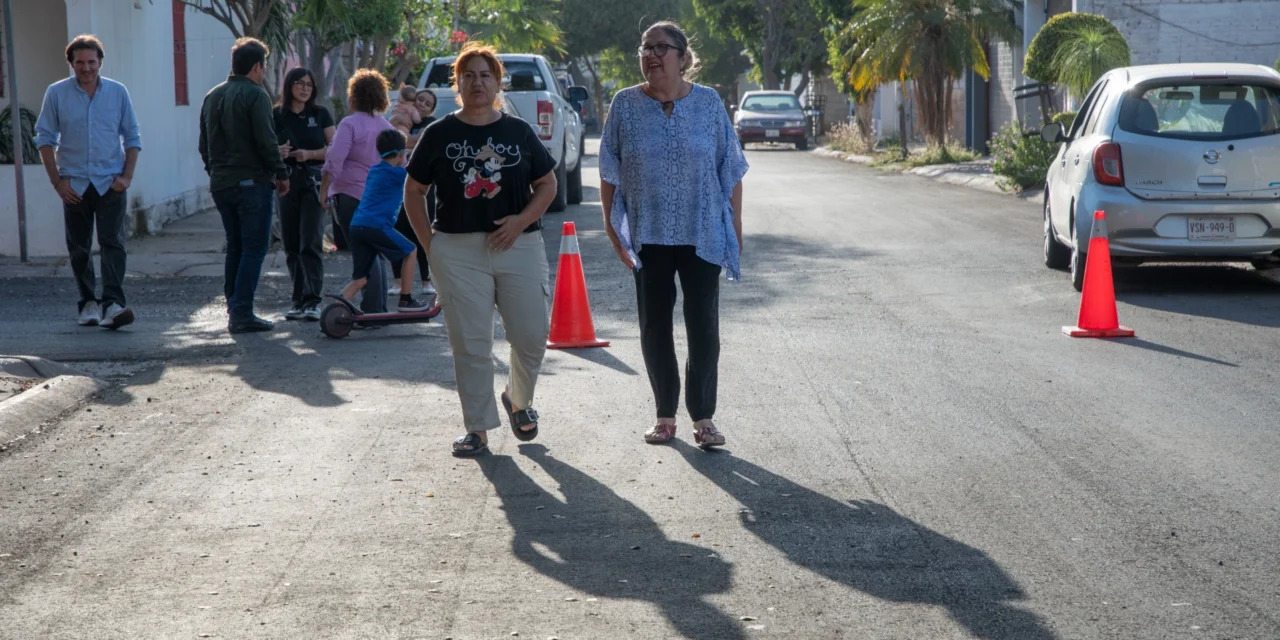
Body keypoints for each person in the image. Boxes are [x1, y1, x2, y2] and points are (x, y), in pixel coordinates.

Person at [402, 42, 558, 457]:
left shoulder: (518, 131)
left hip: (519, 245)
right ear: (457, 83)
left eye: (485, 74)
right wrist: (431, 246)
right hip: (456, 250)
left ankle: (519, 401)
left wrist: (521, 220)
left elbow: (547, 185)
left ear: (498, 82)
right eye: (468, 75)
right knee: (471, 344)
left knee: (531, 336)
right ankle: (478, 429)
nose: (477, 82)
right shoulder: (438, 133)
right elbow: (413, 190)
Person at [599, 21, 749, 449]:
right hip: (648, 234)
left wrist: (733, 230)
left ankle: (704, 418)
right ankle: (665, 416)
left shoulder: (708, 102)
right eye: (645, 48)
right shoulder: (624, 105)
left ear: (683, 58)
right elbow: (610, 167)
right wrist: (613, 229)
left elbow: (730, 168)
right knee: (654, 326)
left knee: (704, 327)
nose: (650, 55)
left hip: (702, 232)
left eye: (661, 48)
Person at [34, 35, 141, 330]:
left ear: (100, 62)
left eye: (91, 62)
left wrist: (127, 177)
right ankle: (88, 305)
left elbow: (132, 137)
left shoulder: (118, 92)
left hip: (110, 182)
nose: (86, 68)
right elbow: (44, 138)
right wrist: (57, 182)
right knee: (79, 247)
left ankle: (113, 305)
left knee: (113, 243)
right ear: (71, 64)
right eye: (79, 62)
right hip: (75, 185)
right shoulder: (56, 93)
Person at [199, 37, 290, 334]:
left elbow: (204, 144)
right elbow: (266, 141)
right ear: (256, 67)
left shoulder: (212, 95)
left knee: (235, 246)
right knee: (253, 248)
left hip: (222, 182)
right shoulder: (256, 95)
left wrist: (215, 171)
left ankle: (235, 306)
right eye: (263, 67)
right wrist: (281, 173)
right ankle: (241, 311)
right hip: (252, 182)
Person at [320, 69, 395, 316]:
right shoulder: (386, 126)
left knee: (364, 253)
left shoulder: (349, 124)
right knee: (374, 253)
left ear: (354, 96)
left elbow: (333, 160)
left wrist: (323, 191)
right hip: (377, 199)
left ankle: (372, 310)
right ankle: (377, 307)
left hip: (351, 196)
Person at [338, 129, 434, 314]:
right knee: (411, 250)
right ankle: (405, 300)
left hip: (357, 226)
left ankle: (337, 306)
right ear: (400, 154)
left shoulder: (374, 170)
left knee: (361, 279)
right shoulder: (398, 174)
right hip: (375, 226)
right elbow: (421, 176)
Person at [273, 67, 335, 322]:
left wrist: (310, 155)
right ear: (289, 86)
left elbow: (334, 148)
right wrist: (278, 151)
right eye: (299, 83)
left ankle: (313, 301)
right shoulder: (276, 114)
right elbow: (264, 145)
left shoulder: (320, 114)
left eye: (309, 84)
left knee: (310, 240)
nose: (305, 88)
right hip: (285, 182)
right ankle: (298, 300)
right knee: (291, 243)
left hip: (313, 181)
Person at [391, 88, 439, 297]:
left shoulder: (431, 125)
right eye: (420, 99)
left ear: (431, 110)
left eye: (427, 103)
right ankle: (397, 281)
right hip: (396, 183)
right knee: (398, 230)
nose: (422, 104)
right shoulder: (398, 114)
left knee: (422, 230)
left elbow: (407, 141)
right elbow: (389, 140)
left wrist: (404, 139)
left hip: (423, 186)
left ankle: (426, 280)